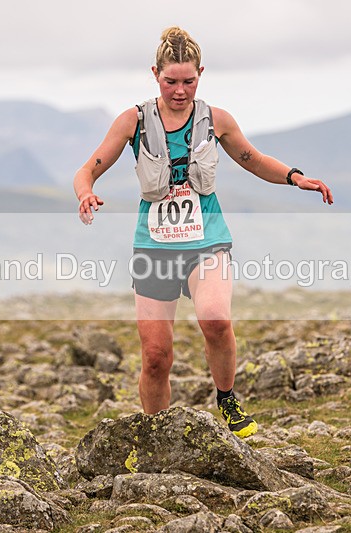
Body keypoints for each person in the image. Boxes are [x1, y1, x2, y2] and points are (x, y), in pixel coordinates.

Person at [73, 26, 332, 438]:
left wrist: (295, 177)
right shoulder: (133, 121)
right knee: (156, 356)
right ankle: (156, 434)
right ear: (155, 74)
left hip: (207, 239)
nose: (180, 90)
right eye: (170, 81)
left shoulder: (217, 120)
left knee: (215, 320)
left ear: (201, 75)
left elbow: (253, 159)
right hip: (154, 246)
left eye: (188, 81)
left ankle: (227, 398)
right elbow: (87, 169)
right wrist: (86, 193)